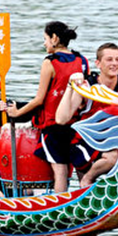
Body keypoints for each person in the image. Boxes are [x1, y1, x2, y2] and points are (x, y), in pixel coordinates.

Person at [6, 21, 89, 193]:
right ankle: (88, 202)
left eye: (45, 39)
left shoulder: (49, 62)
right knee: (82, 169)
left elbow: (39, 100)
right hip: (77, 124)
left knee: (60, 171)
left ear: (55, 38)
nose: (44, 43)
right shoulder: (82, 60)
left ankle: (62, 209)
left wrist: (17, 112)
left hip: (53, 126)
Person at [56, 43, 118, 187]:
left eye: (117, 59)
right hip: (84, 142)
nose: (114, 64)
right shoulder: (87, 87)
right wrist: (70, 86)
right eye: (109, 60)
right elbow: (61, 118)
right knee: (114, 157)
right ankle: (88, 179)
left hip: (113, 141)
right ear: (98, 64)